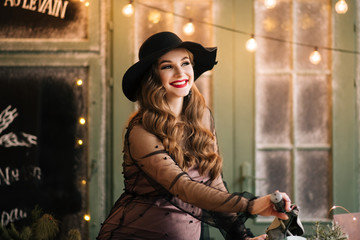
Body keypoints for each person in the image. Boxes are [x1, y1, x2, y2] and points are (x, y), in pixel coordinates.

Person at [97, 31, 291, 240]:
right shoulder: (141, 130)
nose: (181, 73)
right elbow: (183, 187)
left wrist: (242, 236)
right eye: (167, 66)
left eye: (185, 63)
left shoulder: (203, 117)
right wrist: (251, 205)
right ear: (153, 77)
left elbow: (213, 183)